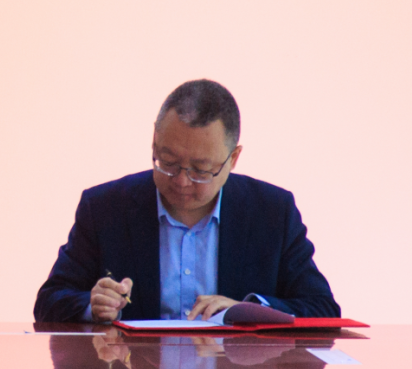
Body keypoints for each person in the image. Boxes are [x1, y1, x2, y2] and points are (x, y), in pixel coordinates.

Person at [34, 79, 338, 323]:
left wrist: (247, 310)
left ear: (233, 159)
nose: (181, 180)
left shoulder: (272, 212)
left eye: (200, 170)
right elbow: (49, 301)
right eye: (167, 162)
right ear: (154, 141)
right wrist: (92, 305)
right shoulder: (105, 208)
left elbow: (323, 309)